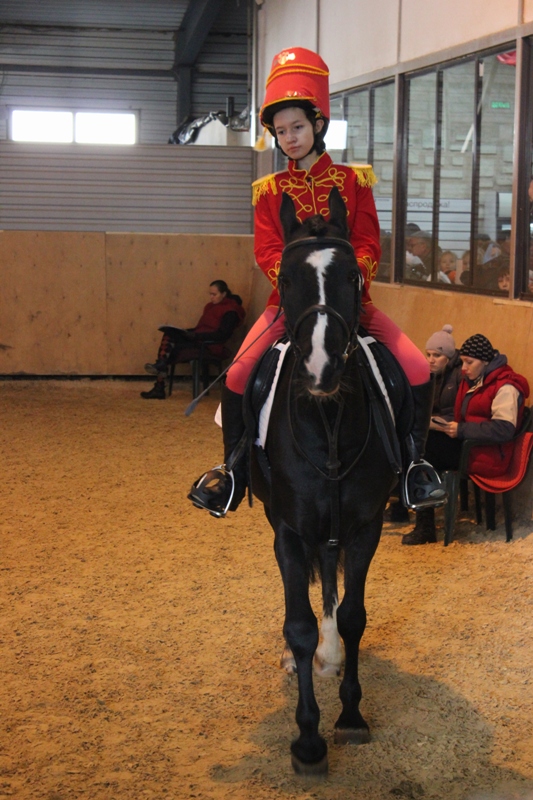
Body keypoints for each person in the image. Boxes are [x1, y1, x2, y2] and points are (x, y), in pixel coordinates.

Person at [189, 47, 446, 516]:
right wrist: (298, 289)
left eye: (298, 128)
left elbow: (368, 241)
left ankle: (414, 467)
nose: (289, 138)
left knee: (416, 366)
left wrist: (347, 282)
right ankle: (231, 472)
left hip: (352, 306)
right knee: (241, 372)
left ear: (318, 125)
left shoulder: (354, 181)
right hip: (285, 307)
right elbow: (266, 250)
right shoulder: (267, 192)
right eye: (281, 131)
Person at [403, 333, 530, 544]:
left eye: (469, 362)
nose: (464, 368)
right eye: (462, 362)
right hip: (470, 445)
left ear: (486, 361)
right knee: (420, 441)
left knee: (423, 450)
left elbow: (504, 429)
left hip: (488, 454)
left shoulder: (505, 387)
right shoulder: (474, 380)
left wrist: (461, 430)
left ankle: (424, 526)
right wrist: (440, 425)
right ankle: (418, 516)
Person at [400, 325, 463, 542]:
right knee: (404, 444)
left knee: (418, 453)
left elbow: (455, 416)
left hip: (453, 439)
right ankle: (401, 504)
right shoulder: (431, 376)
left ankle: (425, 526)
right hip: (437, 433)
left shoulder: (457, 378)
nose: (431, 359)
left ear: (448, 356)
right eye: (428, 355)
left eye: (437, 355)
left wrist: (427, 423)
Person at [140, 280, 245, 399]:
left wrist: (196, 336)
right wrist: (186, 332)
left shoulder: (231, 311)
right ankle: (161, 369)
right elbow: (201, 328)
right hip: (198, 340)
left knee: (169, 350)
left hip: (210, 345)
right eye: (210, 294)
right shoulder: (210, 307)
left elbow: (222, 335)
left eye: (214, 294)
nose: (211, 297)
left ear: (224, 294)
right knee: (169, 334)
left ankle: (160, 383)